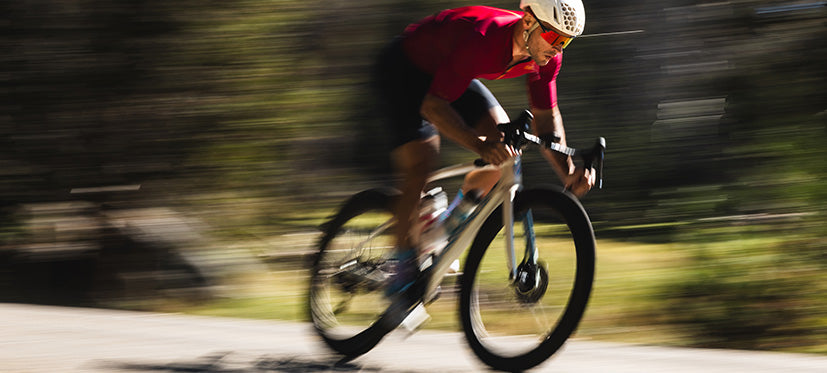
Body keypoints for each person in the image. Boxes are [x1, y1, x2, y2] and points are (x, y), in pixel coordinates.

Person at [373, 0, 595, 298]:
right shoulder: (484, 38)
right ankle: (399, 269)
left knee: (506, 154)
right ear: (528, 21)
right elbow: (433, 106)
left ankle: (439, 230)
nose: (558, 49)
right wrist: (479, 145)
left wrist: (567, 171)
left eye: (566, 42)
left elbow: (545, 120)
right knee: (421, 163)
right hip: (405, 68)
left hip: (453, 69)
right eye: (554, 37)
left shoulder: (547, 58)